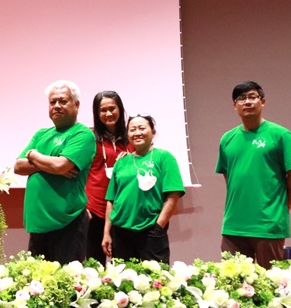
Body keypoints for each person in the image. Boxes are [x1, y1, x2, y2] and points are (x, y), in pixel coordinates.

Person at [216, 81, 291, 267]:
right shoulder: (227, 139)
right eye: (241, 98)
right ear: (234, 105)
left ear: (262, 101)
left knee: (271, 280)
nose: (247, 102)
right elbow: (229, 177)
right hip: (234, 225)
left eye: (252, 97)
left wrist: (285, 204)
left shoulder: (280, 134)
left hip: (268, 223)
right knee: (233, 279)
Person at [14, 80, 96, 264]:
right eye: (53, 102)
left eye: (63, 101)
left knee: (67, 278)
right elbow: (18, 167)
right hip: (38, 223)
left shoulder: (82, 134)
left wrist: (33, 155)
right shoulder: (41, 134)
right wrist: (49, 162)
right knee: (37, 280)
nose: (57, 106)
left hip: (68, 222)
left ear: (76, 105)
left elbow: (61, 166)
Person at [101, 115, 184, 263]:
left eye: (142, 128)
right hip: (120, 233)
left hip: (150, 231)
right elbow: (111, 200)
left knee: (154, 276)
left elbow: (173, 195)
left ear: (153, 132)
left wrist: (159, 227)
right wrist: (107, 232)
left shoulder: (164, 157)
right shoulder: (121, 162)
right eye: (132, 129)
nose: (137, 133)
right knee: (122, 276)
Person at [85, 91, 130, 264]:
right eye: (103, 110)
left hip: (122, 208)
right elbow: (77, 171)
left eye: (112, 108)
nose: (108, 113)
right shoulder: (89, 137)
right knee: (94, 264)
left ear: (120, 109)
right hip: (93, 208)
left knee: (124, 265)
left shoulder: (131, 137)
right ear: (96, 113)